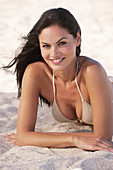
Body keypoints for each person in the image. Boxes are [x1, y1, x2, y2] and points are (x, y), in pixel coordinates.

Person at [3, 8, 113, 152]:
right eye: (46, 46)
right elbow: (23, 136)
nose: (53, 54)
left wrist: (41, 137)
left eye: (61, 43)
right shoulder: (35, 73)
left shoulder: (92, 71)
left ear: (77, 39)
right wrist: (74, 138)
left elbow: (102, 138)